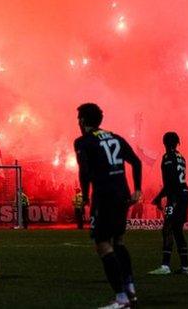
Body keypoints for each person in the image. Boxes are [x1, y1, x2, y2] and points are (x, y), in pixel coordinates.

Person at [74, 103, 142, 309]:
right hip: (122, 194)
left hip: (104, 195)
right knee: (119, 241)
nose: (78, 122)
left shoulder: (83, 142)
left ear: (83, 121)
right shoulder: (116, 137)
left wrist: (85, 195)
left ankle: (121, 298)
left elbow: (84, 171)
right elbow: (136, 162)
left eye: (79, 118)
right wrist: (137, 189)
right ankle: (130, 289)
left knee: (103, 244)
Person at [148, 132, 188, 275]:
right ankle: (185, 267)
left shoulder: (167, 158)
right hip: (184, 194)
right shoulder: (181, 157)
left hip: (176, 196)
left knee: (167, 228)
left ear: (164, 142)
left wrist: (159, 197)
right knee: (177, 230)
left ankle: (165, 266)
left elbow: (170, 182)